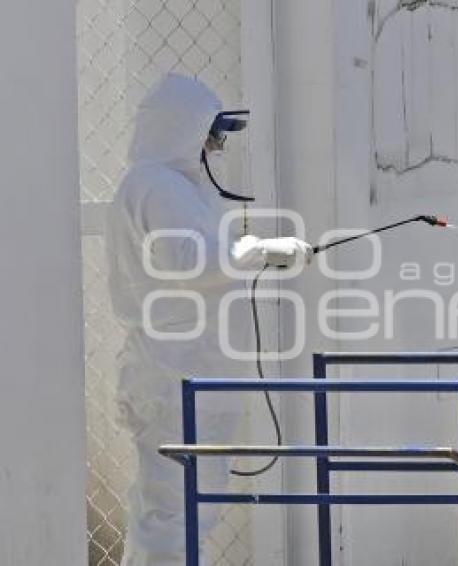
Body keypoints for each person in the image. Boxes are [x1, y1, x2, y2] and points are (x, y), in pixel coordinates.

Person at [106, 73, 312, 565]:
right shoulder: (156, 187)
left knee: (183, 508)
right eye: (211, 135)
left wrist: (254, 253)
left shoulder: (172, 188)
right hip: (176, 377)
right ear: (182, 129)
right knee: (175, 511)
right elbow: (192, 262)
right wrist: (260, 250)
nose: (216, 147)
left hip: (189, 371)